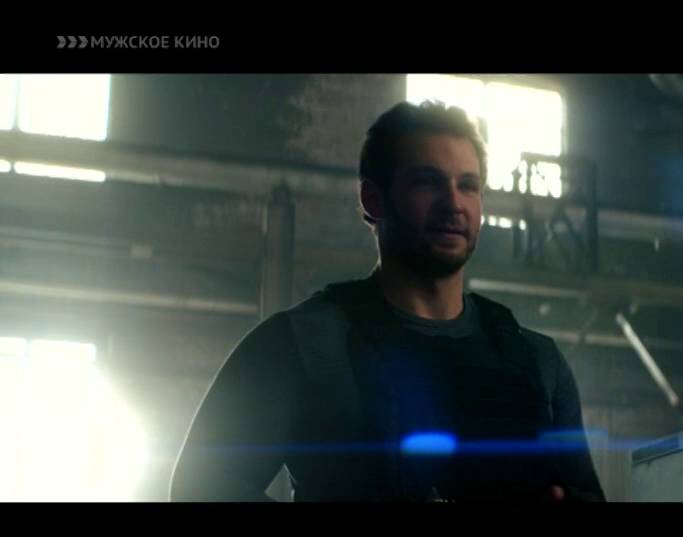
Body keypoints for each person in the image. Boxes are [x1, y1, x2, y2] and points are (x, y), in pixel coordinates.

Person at [170, 101, 605, 502]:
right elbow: (200, 487)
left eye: (468, 186)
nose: (454, 203)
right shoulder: (302, 344)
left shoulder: (537, 362)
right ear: (373, 199)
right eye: (428, 182)